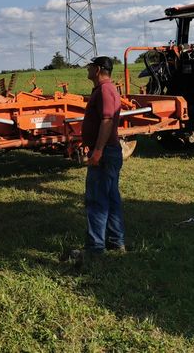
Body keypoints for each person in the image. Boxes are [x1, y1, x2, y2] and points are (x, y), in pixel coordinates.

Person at [65, 55, 125, 264]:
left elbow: (107, 121)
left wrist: (98, 150)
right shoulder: (104, 89)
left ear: (98, 69)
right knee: (111, 198)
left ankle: (95, 248)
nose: (87, 69)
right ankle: (115, 242)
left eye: (90, 66)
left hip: (105, 152)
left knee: (97, 200)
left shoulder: (106, 90)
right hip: (108, 151)